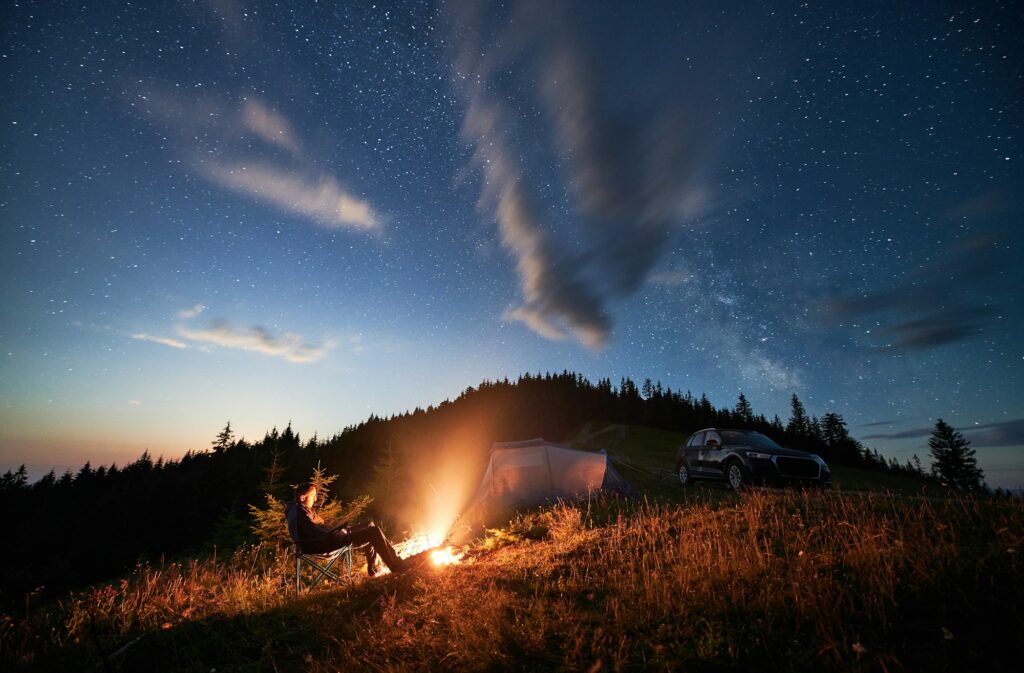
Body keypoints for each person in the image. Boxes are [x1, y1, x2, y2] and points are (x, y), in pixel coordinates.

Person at [287, 482, 407, 576]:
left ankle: (374, 569)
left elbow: (319, 528)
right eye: (312, 496)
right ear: (303, 498)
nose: (315, 499)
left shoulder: (301, 510)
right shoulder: (300, 515)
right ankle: (397, 567)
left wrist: (338, 530)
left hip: (328, 538)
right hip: (325, 544)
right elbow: (316, 533)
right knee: (374, 532)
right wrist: (339, 533)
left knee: (369, 524)